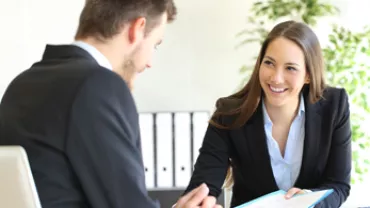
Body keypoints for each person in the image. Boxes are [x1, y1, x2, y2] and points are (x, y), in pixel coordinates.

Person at [0, 0, 221, 208]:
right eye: (155, 45)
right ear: (138, 28)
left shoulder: (22, 83)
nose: (150, 63)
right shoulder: (97, 85)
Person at [182, 20, 351, 208]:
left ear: (308, 75)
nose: (276, 78)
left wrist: (311, 202)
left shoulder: (334, 106)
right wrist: (202, 203)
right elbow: (203, 185)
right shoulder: (229, 113)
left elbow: (338, 184)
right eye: (269, 63)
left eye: (290, 68)